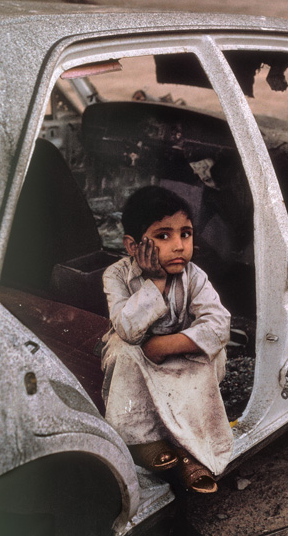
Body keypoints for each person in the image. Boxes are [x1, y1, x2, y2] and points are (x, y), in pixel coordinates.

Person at [100, 185, 234, 493]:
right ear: (133, 245)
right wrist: (157, 281)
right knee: (122, 351)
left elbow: (219, 324)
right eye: (163, 236)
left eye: (185, 234)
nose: (179, 246)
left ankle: (187, 449)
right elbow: (127, 329)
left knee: (213, 354)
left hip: (178, 354)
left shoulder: (194, 276)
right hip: (139, 358)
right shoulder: (116, 275)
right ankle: (143, 441)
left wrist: (166, 346)